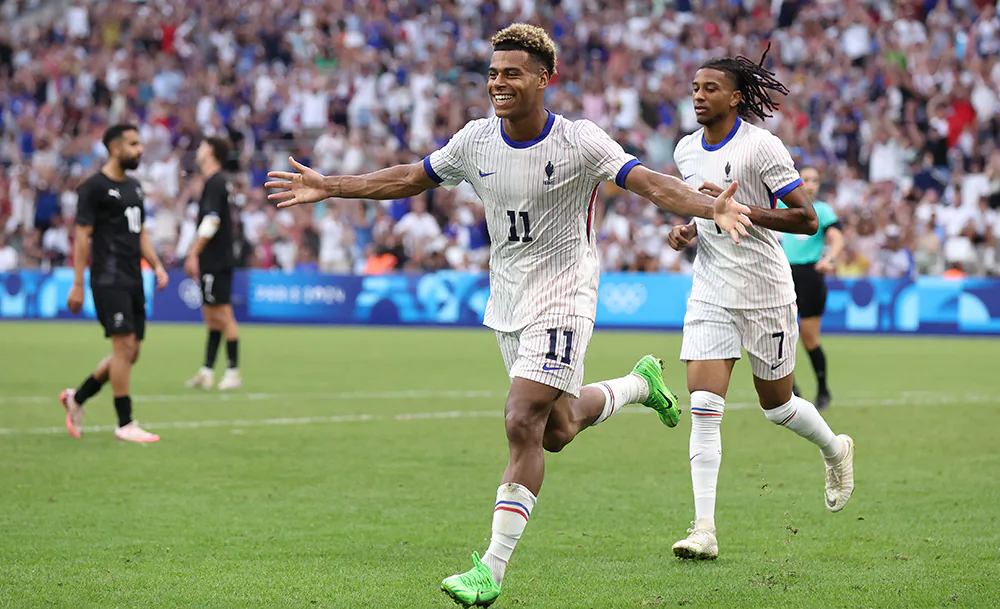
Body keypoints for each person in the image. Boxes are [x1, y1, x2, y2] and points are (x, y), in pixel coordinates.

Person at [265, 23, 752, 608]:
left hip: (566, 295)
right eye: (493, 73)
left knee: (521, 419)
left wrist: (708, 207)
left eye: (512, 74)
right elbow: (410, 177)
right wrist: (332, 186)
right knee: (557, 430)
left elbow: (648, 183)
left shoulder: (579, 140)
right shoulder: (475, 141)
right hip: (509, 302)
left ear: (545, 78)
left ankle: (490, 571)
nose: (498, 83)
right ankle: (638, 385)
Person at [666, 48, 855, 561]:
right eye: (695, 88)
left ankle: (835, 449)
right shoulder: (685, 150)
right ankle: (704, 530)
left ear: (735, 97)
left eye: (710, 88)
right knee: (705, 407)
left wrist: (743, 209)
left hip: (765, 290)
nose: (698, 96)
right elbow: (704, 208)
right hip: (710, 288)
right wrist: (688, 230)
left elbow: (807, 220)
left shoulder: (761, 146)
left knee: (777, 407)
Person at [60, 124, 169, 443]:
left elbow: (141, 232)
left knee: (131, 352)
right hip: (108, 277)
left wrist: (157, 265)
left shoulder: (135, 187)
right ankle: (125, 423)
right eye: (133, 144)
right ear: (114, 147)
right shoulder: (93, 187)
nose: (140, 150)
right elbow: (82, 236)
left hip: (134, 277)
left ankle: (77, 397)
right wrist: (78, 283)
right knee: (122, 348)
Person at [779, 166, 843, 408]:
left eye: (815, 180)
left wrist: (830, 259)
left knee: (809, 338)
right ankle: (790, 389)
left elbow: (837, 238)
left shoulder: (823, 210)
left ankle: (823, 390)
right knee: (781, 336)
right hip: (784, 275)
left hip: (810, 276)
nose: (811, 184)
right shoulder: (783, 206)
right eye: (806, 179)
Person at [184, 136, 242, 391]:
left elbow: (212, 221)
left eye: (202, 146)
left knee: (223, 314)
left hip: (217, 261)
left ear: (211, 152)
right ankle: (207, 371)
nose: (198, 150)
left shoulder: (216, 182)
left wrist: (193, 253)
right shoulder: (215, 182)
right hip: (213, 260)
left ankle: (233, 371)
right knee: (211, 315)